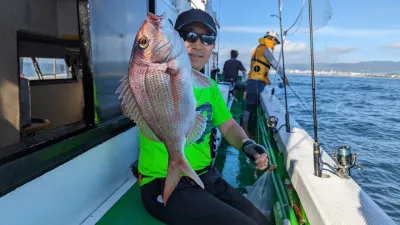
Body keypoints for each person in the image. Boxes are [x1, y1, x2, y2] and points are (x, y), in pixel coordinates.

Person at [138, 9, 270, 225]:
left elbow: (227, 126)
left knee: (261, 221)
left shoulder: (211, 87)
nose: (198, 44)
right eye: (189, 35)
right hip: (163, 182)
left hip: (205, 177)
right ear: (174, 40)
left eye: (207, 39)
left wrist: (247, 144)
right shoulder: (155, 75)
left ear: (212, 46)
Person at [242, 30, 288, 137]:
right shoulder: (265, 49)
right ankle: (244, 128)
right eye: (275, 42)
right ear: (272, 39)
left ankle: (245, 127)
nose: (275, 45)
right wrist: (284, 76)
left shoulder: (258, 48)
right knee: (251, 105)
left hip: (255, 80)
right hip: (256, 81)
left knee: (252, 105)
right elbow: (274, 63)